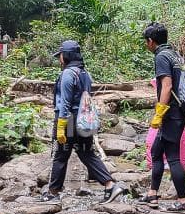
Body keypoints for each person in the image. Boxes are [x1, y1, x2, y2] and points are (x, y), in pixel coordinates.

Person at [42, 40, 124, 203]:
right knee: (86, 153)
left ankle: (53, 192)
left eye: (61, 56)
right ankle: (110, 185)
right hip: (83, 120)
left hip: (68, 120)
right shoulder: (84, 73)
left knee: (60, 154)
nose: (60, 59)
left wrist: (61, 126)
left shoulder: (67, 74)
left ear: (67, 56)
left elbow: (65, 101)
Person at [140, 23, 185, 211]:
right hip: (178, 111)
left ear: (151, 41)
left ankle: (183, 201)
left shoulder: (161, 56)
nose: (147, 45)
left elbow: (167, 85)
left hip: (171, 113)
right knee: (155, 151)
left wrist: (160, 111)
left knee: (173, 157)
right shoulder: (175, 54)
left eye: (146, 42)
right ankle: (153, 194)